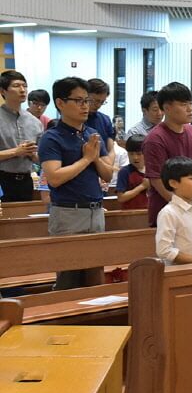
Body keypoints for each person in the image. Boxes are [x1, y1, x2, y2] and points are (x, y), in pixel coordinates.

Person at [39, 76, 113, 289]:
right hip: (68, 213)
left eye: (86, 100)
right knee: (68, 278)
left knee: (95, 276)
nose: (85, 106)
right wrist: (87, 159)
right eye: (78, 100)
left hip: (95, 210)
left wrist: (95, 158)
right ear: (60, 103)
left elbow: (108, 175)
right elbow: (55, 178)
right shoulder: (52, 137)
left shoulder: (92, 134)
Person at [143, 82, 192, 226]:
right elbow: (157, 180)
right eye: (183, 104)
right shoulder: (155, 139)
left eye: (190, 103)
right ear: (167, 108)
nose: (190, 109)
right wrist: (184, 208)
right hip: (168, 213)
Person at [0, 70, 42, 201]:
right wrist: (16, 152)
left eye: (25, 86)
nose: (22, 90)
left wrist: (33, 154)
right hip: (2, 180)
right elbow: (18, 151)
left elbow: (41, 159)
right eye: (16, 86)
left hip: (26, 180)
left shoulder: (35, 122)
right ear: (3, 91)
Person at [85, 78, 116, 164]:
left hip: (105, 163)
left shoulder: (105, 119)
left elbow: (111, 150)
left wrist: (108, 165)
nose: (98, 105)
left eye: (102, 102)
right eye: (96, 101)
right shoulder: (75, 119)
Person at [116, 135, 149, 209]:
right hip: (131, 213)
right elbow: (121, 198)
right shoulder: (124, 172)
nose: (135, 157)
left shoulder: (153, 170)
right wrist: (142, 186)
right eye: (131, 154)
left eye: (139, 154)